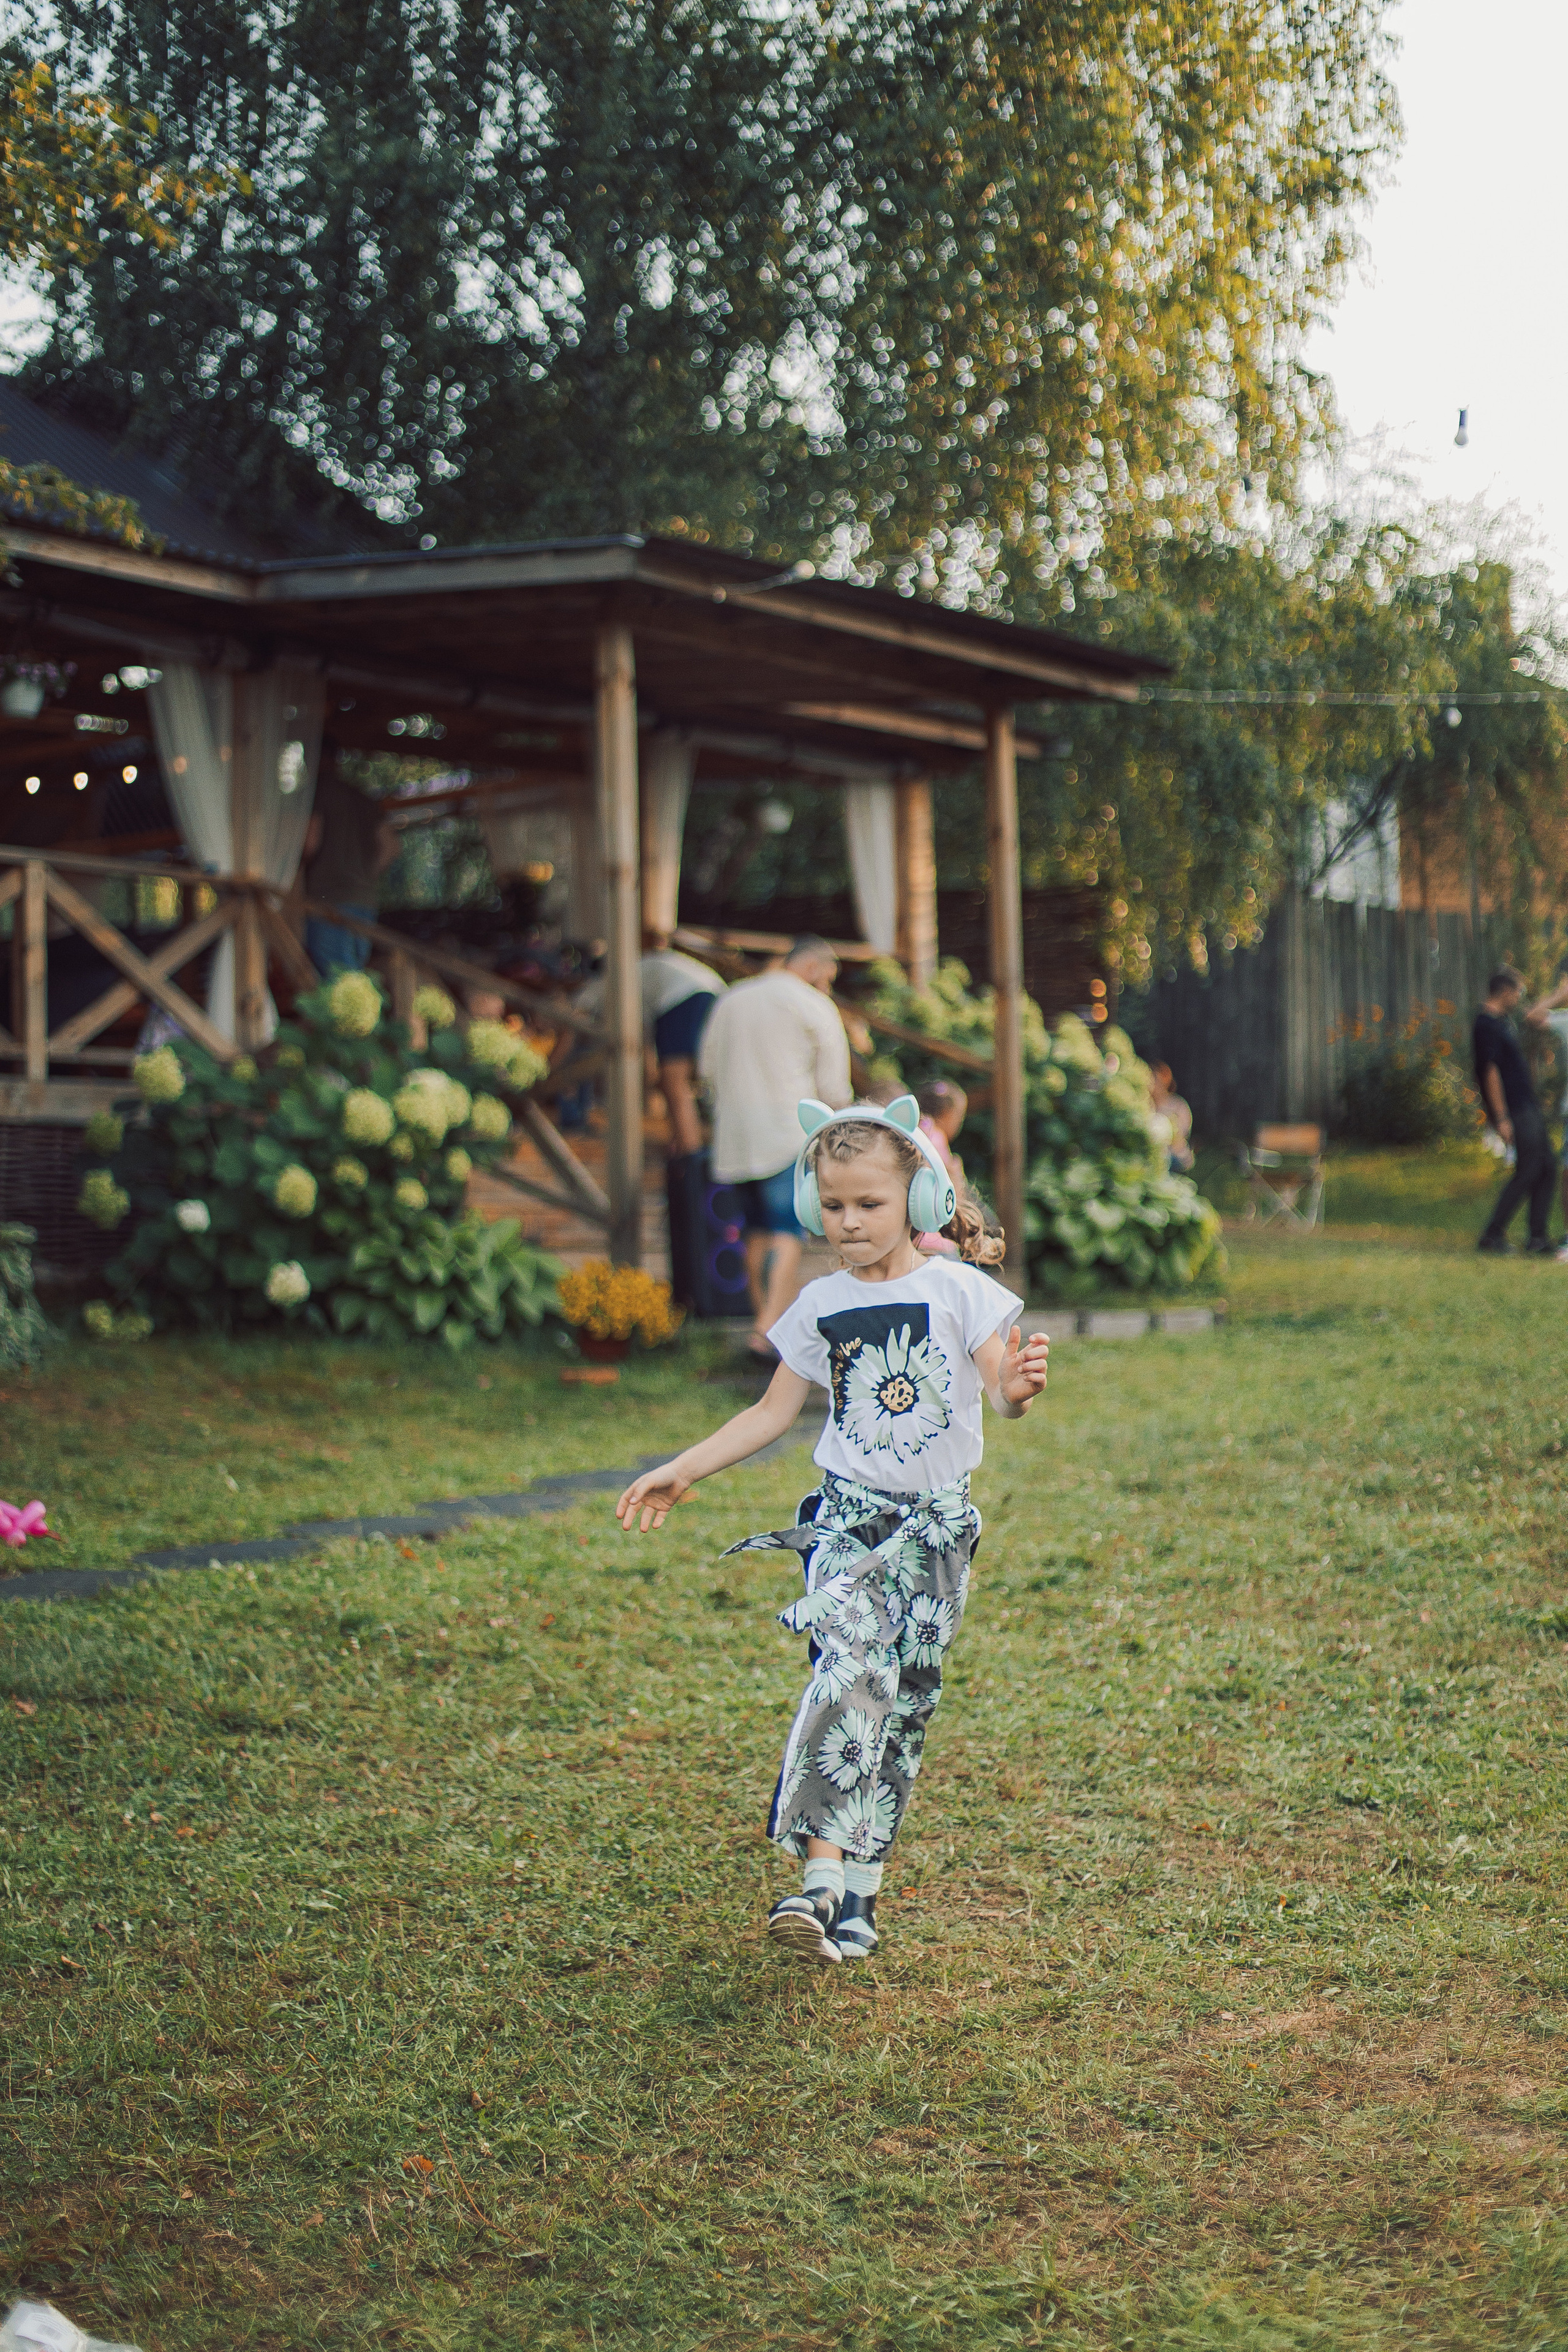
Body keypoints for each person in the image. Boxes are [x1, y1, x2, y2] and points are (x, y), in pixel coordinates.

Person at [615, 1094, 1050, 1965]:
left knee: (901, 1709)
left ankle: (858, 1903)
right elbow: (772, 1412)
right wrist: (686, 1466)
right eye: (835, 1205)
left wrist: (1021, 1387)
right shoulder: (817, 1304)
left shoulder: (963, 1291)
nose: (849, 1223)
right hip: (847, 1526)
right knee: (847, 1676)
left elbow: (1000, 1395)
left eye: (870, 1204)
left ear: (918, 1201)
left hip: (935, 1536)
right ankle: (816, 1880)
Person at [698, 935, 851, 1361]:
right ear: (816, 969)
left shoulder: (730, 1000)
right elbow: (834, 1086)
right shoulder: (812, 1004)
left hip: (734, 1134)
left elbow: (706, 1069)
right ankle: (768, 1328)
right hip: (787, 1131)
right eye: (829, 977)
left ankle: (762, 1324)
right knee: (787, 1230)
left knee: (756, 1231)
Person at [1474, 967, 1555, 1256]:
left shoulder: (1503, 1022)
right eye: (1517, 991)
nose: (1519, 997)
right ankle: (1492, 1234)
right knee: (1531, 1167)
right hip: (1515, 1108)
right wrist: (1502, 1117)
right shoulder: (1486, 1025)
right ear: (1505, 991)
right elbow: (1489, 1071)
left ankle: (1538, 1238)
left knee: (1547, 1166)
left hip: (1526, 1104)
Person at [303, 764, 399, 975]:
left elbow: (310, 842)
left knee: (336, 982)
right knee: (353, 975)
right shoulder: (363, 799)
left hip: (329, 900)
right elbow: (391, 847)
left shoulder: (318, 791)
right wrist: (365, 876)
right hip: (364, 901)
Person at [915, 1080, 968, 1256]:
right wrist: (956, 1174)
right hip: (929, 1236)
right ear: (947, 1114)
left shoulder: (918, 1131)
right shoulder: (936, 1138)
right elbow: (952, 1198)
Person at [1148, 1062, 1195, 1172]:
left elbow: (1182, 1134)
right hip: (1152, 1154)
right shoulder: (1144, 1105)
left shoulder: (1178, 1105)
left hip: (1175, 1156)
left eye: (1155, 1078)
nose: (1152, 1083)